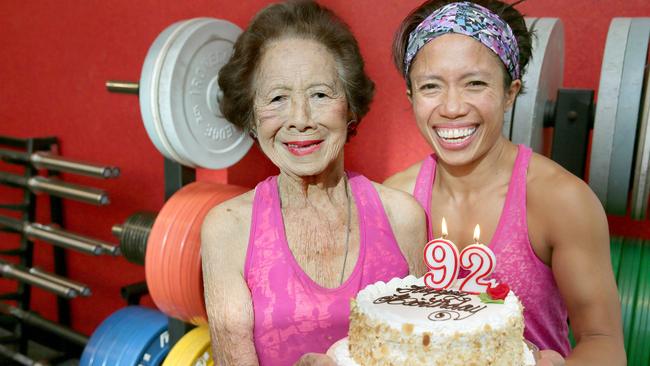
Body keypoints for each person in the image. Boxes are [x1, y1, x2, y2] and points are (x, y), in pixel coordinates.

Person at [384, 1, 625, 365]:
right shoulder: (394, 199)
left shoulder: (561, 200)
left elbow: (603, 341)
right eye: (431, 87)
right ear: (412, 97)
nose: (452, 107)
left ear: (510, 92)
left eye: (475, 84)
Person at [201, 1, 427, 365]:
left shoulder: (403, 217)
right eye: (277, 98)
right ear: (252, 118)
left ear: (350, 106)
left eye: (320, 94)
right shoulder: (227, 229)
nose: (301, 119)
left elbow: (425, 352)